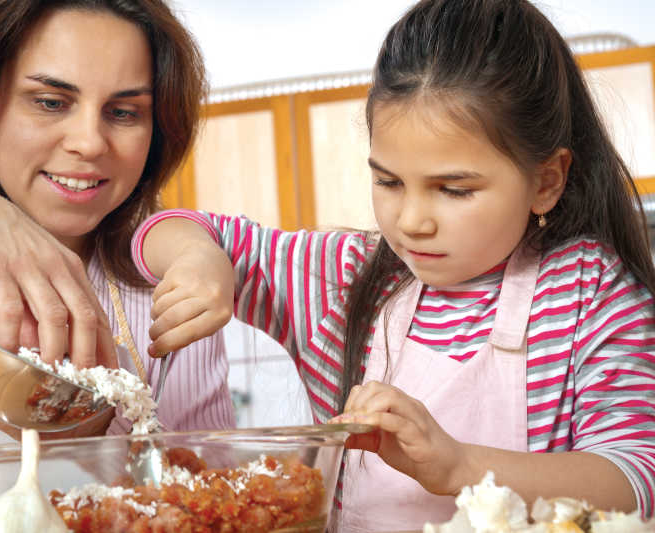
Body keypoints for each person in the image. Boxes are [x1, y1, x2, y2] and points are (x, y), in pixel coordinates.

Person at [129, 0, 655, 531]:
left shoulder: (588, 292)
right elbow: (166, 229)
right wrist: (200, 257)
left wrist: (460, 465)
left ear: (545, 181)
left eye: (453, 189)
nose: (410, 222)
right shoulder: (343, 278)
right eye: (388, 182)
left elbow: (635, 478)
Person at [0, 0, 234, 529]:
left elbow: (206, 499)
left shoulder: (164, 291)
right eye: (52, 101)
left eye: (124, 112)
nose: (88, 143)